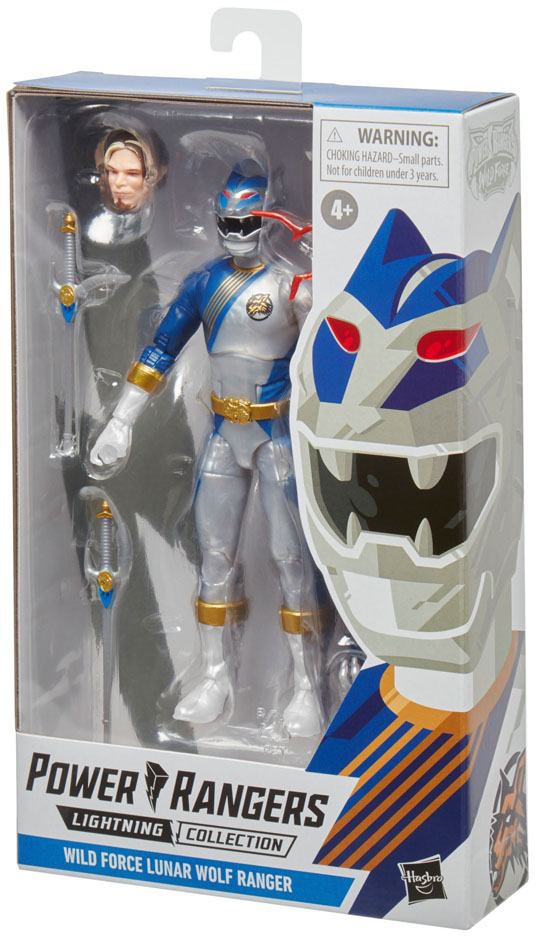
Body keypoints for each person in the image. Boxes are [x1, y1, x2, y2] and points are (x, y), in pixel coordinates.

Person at [90, 160, 322, 738]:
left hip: (276, 436)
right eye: (228, 223)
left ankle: (305, 685)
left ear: (266, 221)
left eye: (247, 223)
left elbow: (331, 351)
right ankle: (216, 674)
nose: (236, 233)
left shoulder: (290, 285)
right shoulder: (203, 283)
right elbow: (160, 350)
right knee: (214, 561)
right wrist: (121, 421)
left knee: (292, 560)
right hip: (223, 435)